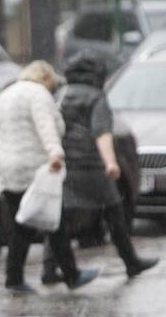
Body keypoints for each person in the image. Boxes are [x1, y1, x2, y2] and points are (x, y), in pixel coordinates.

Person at [42, 51, 158, 283]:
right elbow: (102, 132)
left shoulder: (61, 95)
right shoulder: (97, 97)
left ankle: (49, 269)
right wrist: (111, 163)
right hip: (92, 167)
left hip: (65, 167)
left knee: (58, 220)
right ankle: (131, 261)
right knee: (114, 213)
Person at [0, 60, 98, 293]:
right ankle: (25, 278)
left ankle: (64, 274)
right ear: (45, 78)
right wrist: (55, 153)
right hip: (32, 169)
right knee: (45, 222)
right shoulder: (38, 94)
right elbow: (46, 125)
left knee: (33, 223)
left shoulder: (5, 94)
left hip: (6, 168)